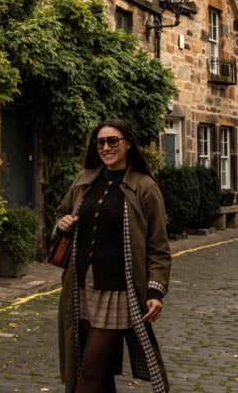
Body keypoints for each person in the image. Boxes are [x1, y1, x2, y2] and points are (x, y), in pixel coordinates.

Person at [55, 118, 171, 393]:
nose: (106, 147)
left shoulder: (144, 186)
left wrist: (155, 292)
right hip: (81, 286)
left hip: (118, 291)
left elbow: (158, 245)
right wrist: (62, 223)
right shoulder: (84, 181)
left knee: (90, 371)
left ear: (128, 144)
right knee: (98, 370)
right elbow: (62, 213)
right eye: (100, 142)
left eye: (112, 141)